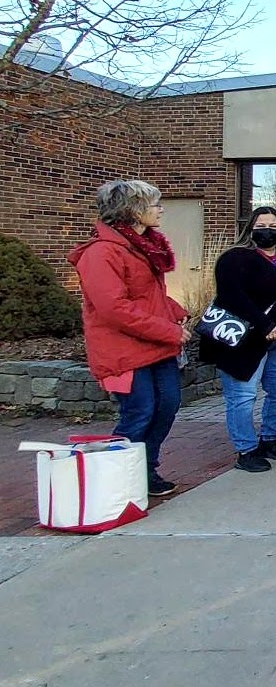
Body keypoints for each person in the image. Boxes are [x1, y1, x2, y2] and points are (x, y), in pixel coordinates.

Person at [68, 180, 190, 497]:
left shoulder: (141, 246)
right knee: (139, 412)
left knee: (167, 406)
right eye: (154, 204)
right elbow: (114, 309)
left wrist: (175, 310)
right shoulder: (101, 253)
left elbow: (145, 295)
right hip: (123, 351)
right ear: (133, 210)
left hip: (154, 346)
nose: (161, 209)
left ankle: (145, 471)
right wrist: (170, 331)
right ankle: (114, 480)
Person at [199, 206, 276, 474]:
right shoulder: (236, 258)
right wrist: (264, 323)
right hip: (245, 340)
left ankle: (270, 438)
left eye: (274, 226)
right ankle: (246, 449)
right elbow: (232, 296)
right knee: (243, 395)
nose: (268, 230)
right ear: (251, 228)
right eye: (262, 225)